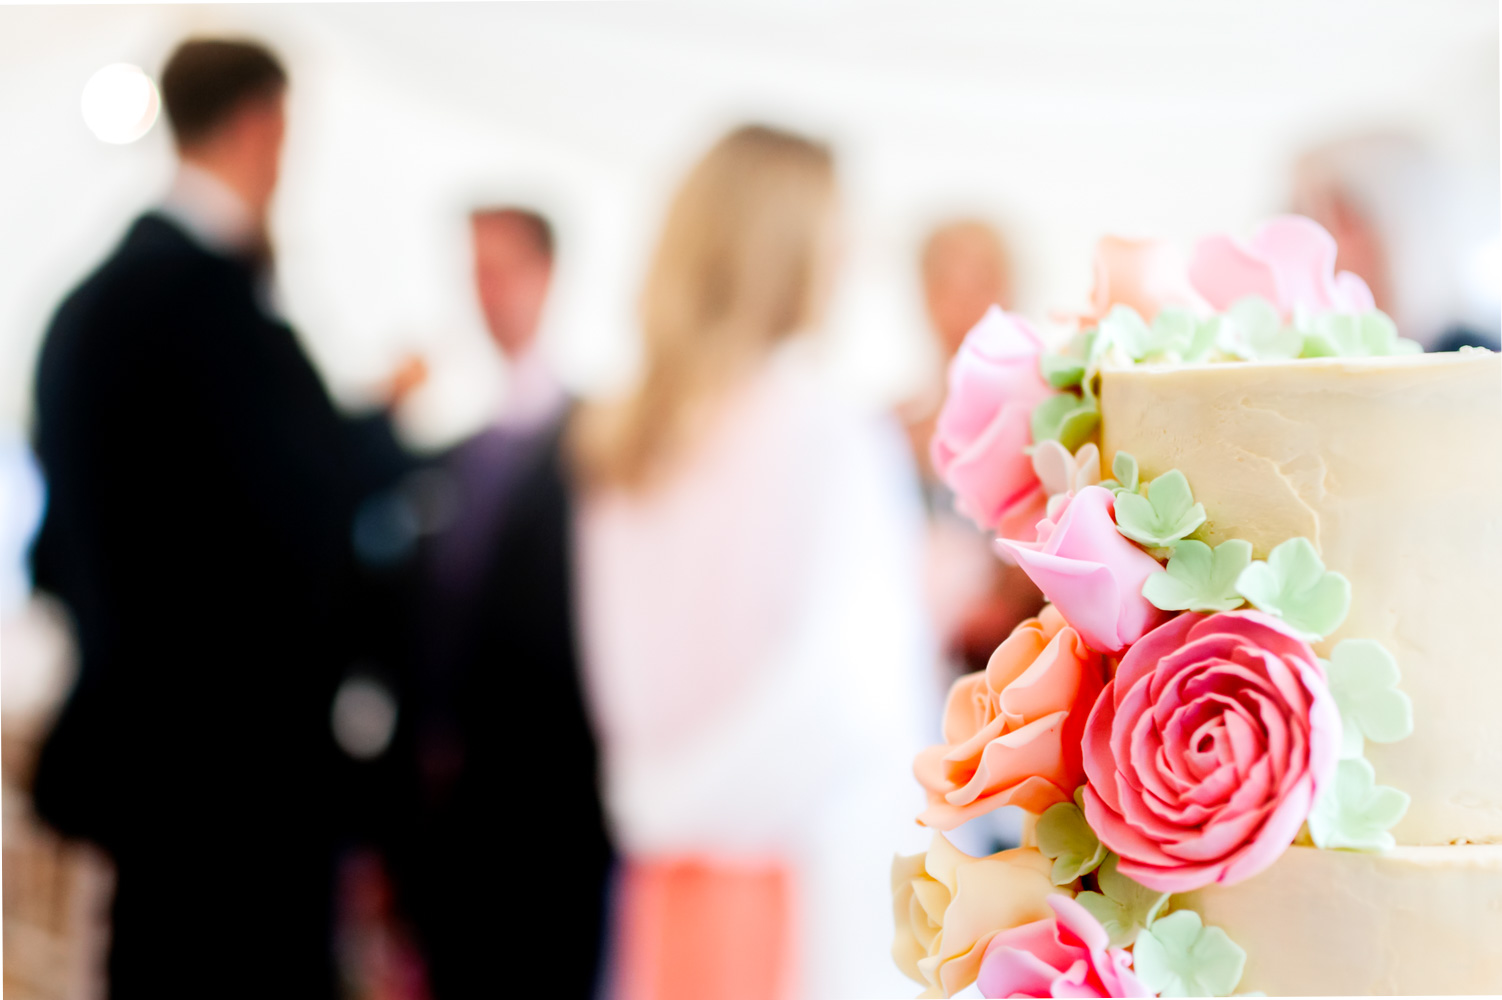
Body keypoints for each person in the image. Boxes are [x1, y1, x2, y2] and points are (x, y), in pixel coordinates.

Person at [29, 38, 411, 996]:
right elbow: (300, 510)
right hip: (236, 790)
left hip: (144, 771)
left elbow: (57, 552)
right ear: (263, 126)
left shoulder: (86, 310)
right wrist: (382, 435)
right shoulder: (205, 306)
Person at [571, 125, 934, 1000]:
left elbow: (625, 683)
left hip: (670, 869)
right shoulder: (830, 433)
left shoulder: (627, 441)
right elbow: (861, 702)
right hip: (809, 885)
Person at [385, 207, 612, 998]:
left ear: (547, 277)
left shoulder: (597, 441)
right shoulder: (448, 454)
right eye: (476, 271)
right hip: (456, 809)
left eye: (505, 268)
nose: (490, 291)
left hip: (557, 808)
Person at [906, 219, 1042, 676]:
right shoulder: (888, 435)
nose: (963, 301)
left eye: (982, 279)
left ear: (1012, 289)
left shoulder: (1055, 436)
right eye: (945, 281)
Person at [1291, 133, 1501, 352]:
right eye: (1304, 217)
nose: (1315, 239)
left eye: (1340, 219)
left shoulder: (1478, 355)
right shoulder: (1302, 353)